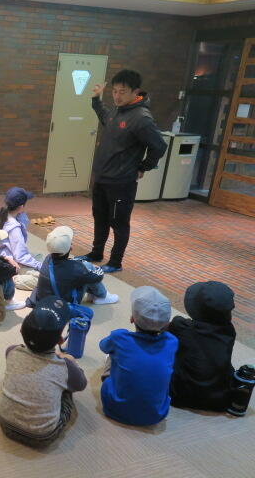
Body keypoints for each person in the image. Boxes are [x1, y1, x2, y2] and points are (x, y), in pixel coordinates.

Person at [75, 70, 168, 273]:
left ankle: (115, 262)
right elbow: (105, 117)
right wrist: (96, 99)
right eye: (115, 91)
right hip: (102, 178)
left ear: (135, 92)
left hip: (121, 182)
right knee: (100, 218)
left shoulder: (141, 118)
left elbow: (159, 146)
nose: (117, 96)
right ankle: (96, 253)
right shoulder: (117, 111)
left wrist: (143, 167)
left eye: (122, 92)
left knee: (119, 223)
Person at [0, 296, 87, 447]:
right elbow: (81, 384)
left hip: (3, 421)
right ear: (60, 340)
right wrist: (70, 361)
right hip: (42, 436)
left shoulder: (11, 351)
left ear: (21, 330)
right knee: (67, 389)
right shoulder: (64, 367)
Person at [100, 286, 178, 426]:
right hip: (156, 415)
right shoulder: (172, 342)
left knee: (112, 356)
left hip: (114, 409)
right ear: (166, 323)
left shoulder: (119, 337)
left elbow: (103, 346)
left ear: (132, 319)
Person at [168, 281, 236, 412]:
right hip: (219, 398)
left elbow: (160, 327)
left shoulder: (182, 327)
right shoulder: (229, 331)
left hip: (181, 395)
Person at [32, 226, 118, 308]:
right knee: (88, 268)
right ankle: (103, 296)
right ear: (71, 247)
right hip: (63, 304)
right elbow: (97, 277)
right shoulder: (76, 268)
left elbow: (68, 265)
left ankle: (93, 294)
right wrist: (98, 268)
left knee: (84, 268)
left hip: (45, 299)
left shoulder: (48, 259)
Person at [0, 187, 41, 291]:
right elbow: (21, 256)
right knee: (42, 278)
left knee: (37, 258)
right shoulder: (14, 227)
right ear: (21, 207)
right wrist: (40, 266)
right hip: (9, 264)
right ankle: (12, 280)